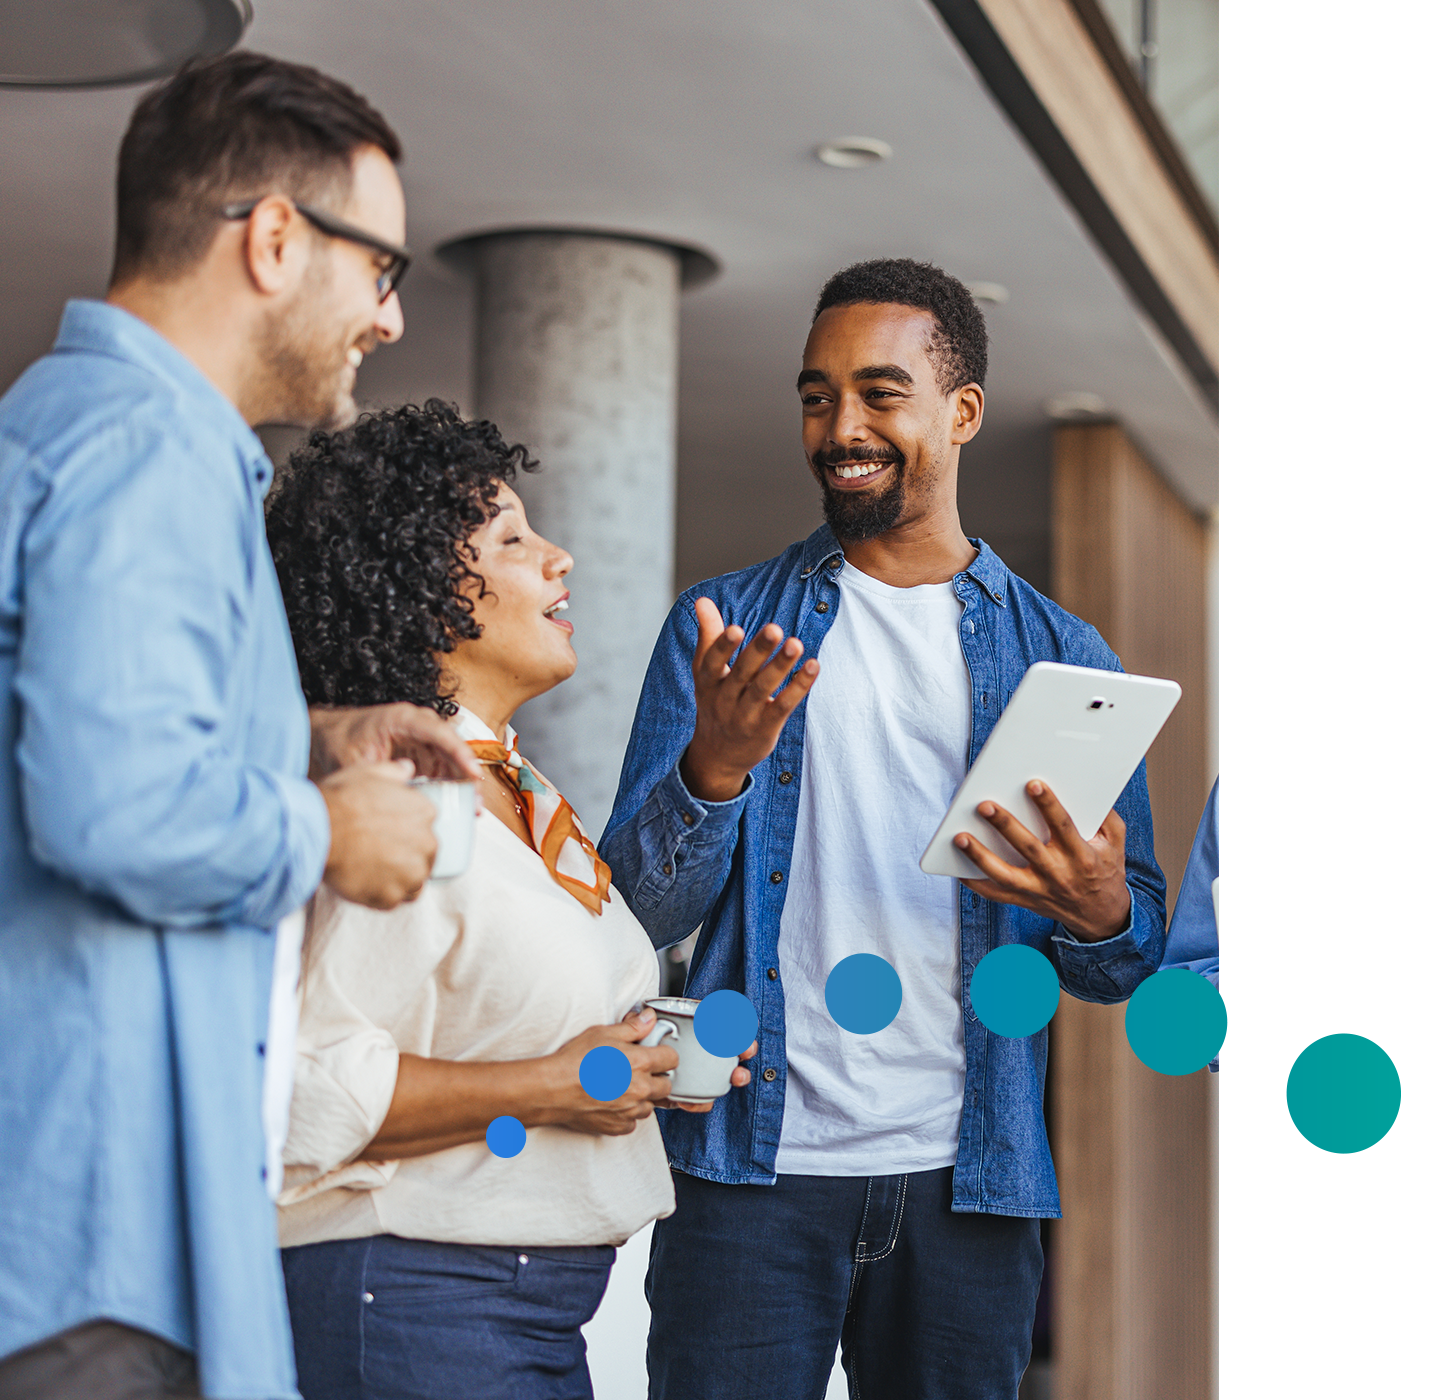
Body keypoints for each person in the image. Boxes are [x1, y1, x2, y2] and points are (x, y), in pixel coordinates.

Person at [599, 258, 1170, 1400]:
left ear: (960, 412)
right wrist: (714, 770)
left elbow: (1128, 952)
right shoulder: (728, 630)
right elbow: (633, 913)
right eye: (817, 395)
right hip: (748, 1179)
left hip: (970, 1184)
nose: (840, 426)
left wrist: (1103, 909)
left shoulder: (1064, 659)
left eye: (878, 392)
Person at [0, 53, 482, 1400]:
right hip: (98, 1241)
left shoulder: (69, 427)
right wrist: (328, 826)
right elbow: (113, 808)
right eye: (379, 267)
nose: (387, 318)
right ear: (274, 238)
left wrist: (317, 736)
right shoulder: (146, 450)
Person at [264, 400, 753, 1400]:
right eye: (514, 538)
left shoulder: (520, 791)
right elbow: (302, 1086)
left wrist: (637, 1060)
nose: (559, 555)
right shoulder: (402, 799)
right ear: (422, 586)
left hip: (509, 1309)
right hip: (412, 1295)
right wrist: (551, 1084)